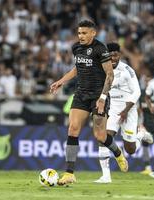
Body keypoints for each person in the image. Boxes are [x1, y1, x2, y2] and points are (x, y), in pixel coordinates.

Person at [50, 20, 128, 185]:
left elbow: (110, 75)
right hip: (81, 94)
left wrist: (103, 98)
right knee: (72, 129)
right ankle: (69, 173)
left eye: (84, 33)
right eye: (79, 33)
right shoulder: (76, 48)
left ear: (93, 33)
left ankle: (117, 152)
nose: (81, 36)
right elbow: (78, 67)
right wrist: (61, 81)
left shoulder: (101, 49)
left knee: (100, 136)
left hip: (99, 96)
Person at [94, 42, 153, 183]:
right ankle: (106, 176)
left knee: (130, 149)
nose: (113, 58)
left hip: (129, 109)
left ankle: (140, 135)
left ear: (119, 55)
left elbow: (137, 92)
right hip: (113, 108)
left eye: (115, 55)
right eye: (110, 55)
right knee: (103, 138)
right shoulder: (102, 69)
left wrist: (126, 111)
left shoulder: (127, 70)